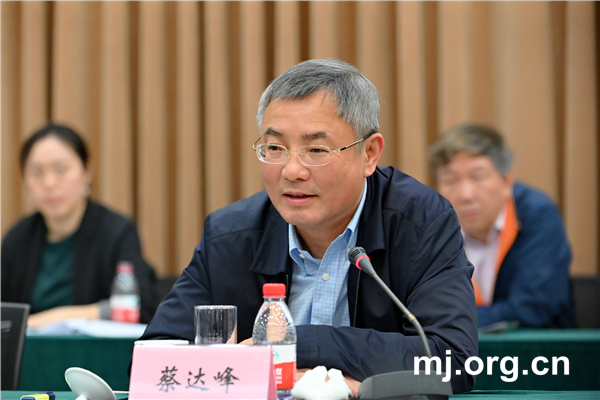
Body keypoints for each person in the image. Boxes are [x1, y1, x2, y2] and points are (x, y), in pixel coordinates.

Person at [139, 60, 478, 393]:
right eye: (275, 148)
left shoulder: (420, 223)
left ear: (369, 154)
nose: (291, 171)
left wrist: (300, 344)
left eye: (316, 149)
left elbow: (454, 361)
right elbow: (152, 364)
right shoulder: (230, 235)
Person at [1, 123, 158, 326]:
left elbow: (141, 305)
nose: (49, 183)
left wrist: (49, 319)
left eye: (61, 170)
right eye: (37, 172)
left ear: (87, 171)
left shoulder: (117, 232)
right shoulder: (18, 238)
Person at [429, 123, 575, 329]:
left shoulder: (536, 213)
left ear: (507, 182)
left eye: (478, 177)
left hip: (539, 345)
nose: (465, 195)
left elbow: (532, 308)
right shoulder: (431, 227)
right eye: (451, 181)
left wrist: (450, 323)